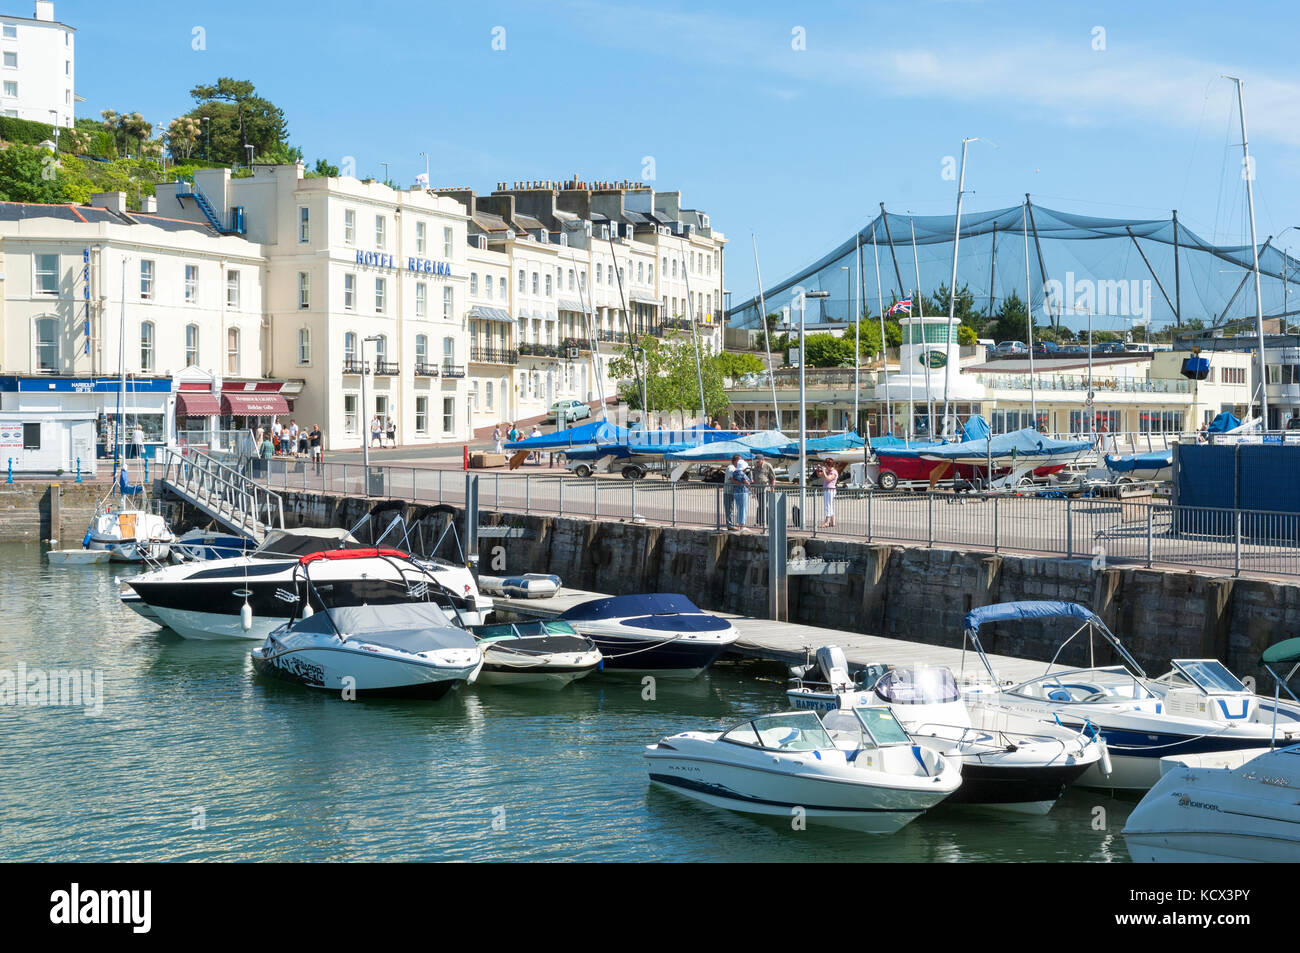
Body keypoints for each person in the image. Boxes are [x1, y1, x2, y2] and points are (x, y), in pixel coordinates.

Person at [754, 456, 776, 528]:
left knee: (762, 505)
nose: (756, 462)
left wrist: (772, 488)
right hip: (758, 489)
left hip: (765, 488)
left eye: (758, 460)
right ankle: (761, 521)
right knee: (760, 504)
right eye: (756, 460)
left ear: (762, 460)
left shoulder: (767, 465)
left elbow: (772, 478)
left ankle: (763, 522)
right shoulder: (755, 467)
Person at [819, 458, 839, 529]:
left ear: (828, 465)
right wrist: (819, 469)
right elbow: (819, 475)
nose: (825, 466)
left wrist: (824, 471)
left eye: (825, 465)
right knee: (830, 505)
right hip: (827, 490)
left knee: (827, 505)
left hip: (830, 490)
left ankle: (827, 522)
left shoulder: (834, 472)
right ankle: (832, 522)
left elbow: (828, 479)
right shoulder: (828, 471)